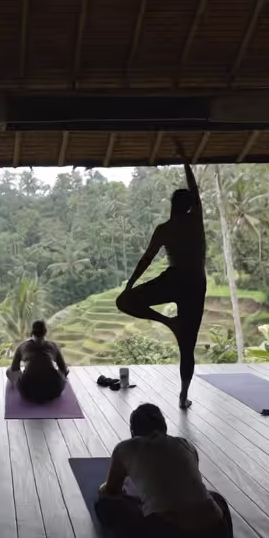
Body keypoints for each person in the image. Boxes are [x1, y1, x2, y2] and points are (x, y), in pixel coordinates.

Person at [97, 403, 231, 538]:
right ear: (164, 427)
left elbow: (111, 491)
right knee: (215, 498)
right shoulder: (186, 445)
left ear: (133, 431)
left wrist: (105, 489)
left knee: (105, 506)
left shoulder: (125, 448)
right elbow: (183, 486)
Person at [117, 158, 206, 409]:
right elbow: (197, 193)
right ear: (188, 207)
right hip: (194, 282)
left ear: (173, 206)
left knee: (124, 301)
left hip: (175, 279)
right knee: (187, 347)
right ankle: (183, 395)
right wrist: (187, 162)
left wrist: (130, 284)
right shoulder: (196, 221)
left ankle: (170, 323)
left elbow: (146, 259)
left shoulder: (165, 228)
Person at [9, 320, 69, 403]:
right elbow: (63, 369)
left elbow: (14, 370)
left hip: (27, 392)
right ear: (45, 332)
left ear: (32, 332)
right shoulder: (52, 346)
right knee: (64, 371)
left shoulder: (22, 346)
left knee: (9, 370)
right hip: (53, 391)